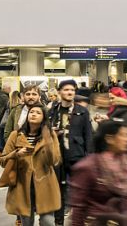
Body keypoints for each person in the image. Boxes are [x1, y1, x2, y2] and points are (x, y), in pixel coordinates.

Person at [0, 105, 61, 225]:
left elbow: (55, 161)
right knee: (26, 222)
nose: (33, 114)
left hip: (45, 185)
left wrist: (48, 141)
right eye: (31, 112)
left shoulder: (49, 135)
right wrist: (16, 153)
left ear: (43, 118)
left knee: (47, 222)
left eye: (38, 113)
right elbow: (2, 161)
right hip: (22, 186)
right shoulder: (15, 135)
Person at [68, 120, 127, 226]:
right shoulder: (88, 167)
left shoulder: (126, 164)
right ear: (109, 139)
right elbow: (78, 209)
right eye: (125, 135)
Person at [48, 79, 94, 226]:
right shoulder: (52, 110)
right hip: (56, 156)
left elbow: (88, 135)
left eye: (72, 90)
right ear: (59, 91)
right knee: (58, 192)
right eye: (66, 90)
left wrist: (90, 158)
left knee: (78, 191)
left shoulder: (82, 111)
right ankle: (59, 222)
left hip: (76, 155)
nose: (70, 92)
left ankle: (78, 221)